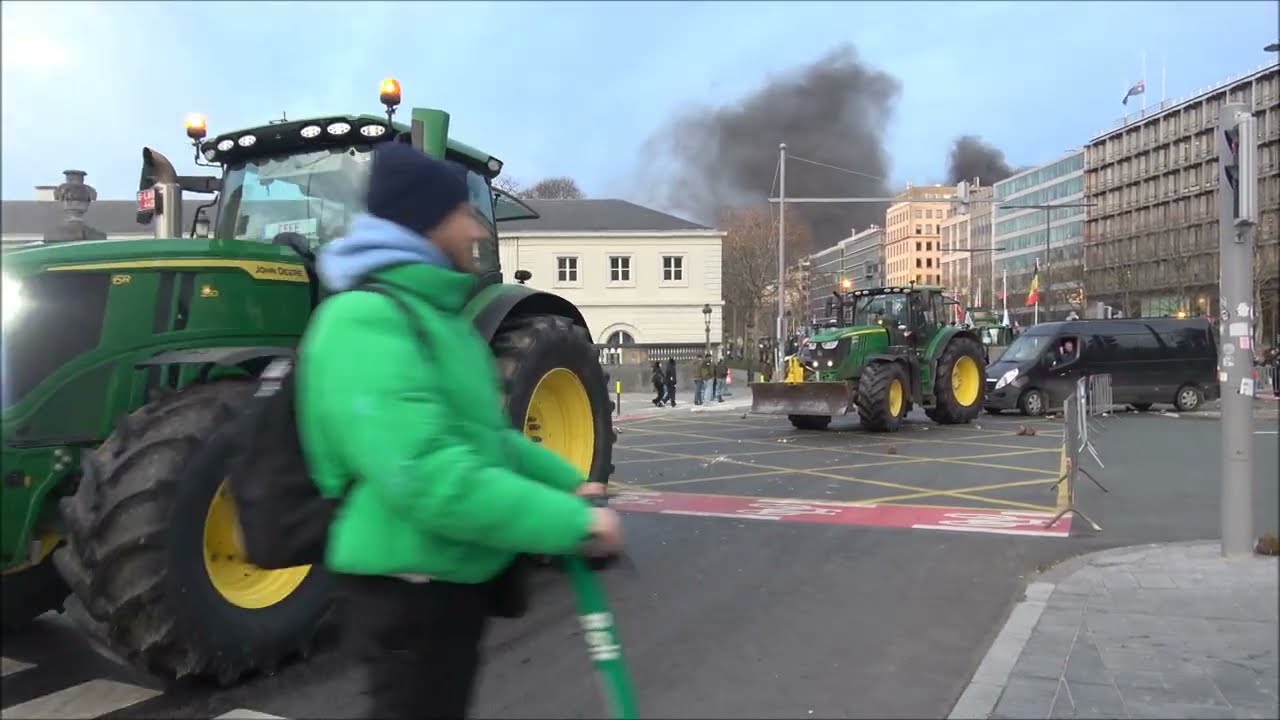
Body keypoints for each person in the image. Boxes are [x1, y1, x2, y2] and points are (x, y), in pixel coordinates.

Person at [296, 142, 623, 720]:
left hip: (447, 584)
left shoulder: (438, 320)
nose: (476, 227)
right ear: (427, 220)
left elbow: (487, 441)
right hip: (406, 589)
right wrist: (573, 523)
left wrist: (570, 483)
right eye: (462, 212)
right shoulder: (363, 322)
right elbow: (428, 475)